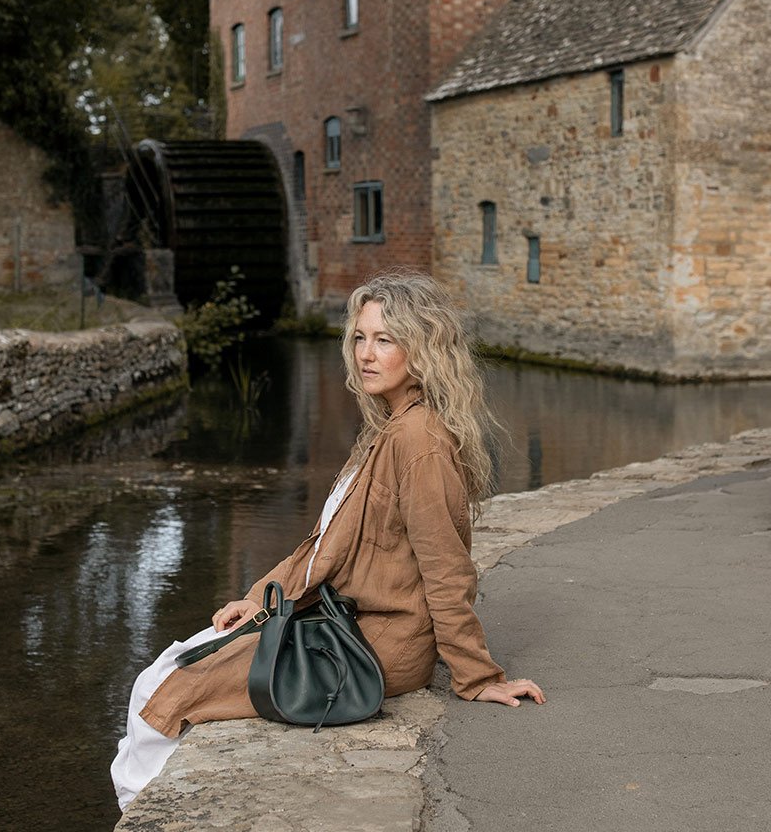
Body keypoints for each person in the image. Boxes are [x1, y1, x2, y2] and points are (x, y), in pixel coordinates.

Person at [111, 271, 545, 809]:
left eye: (385, 340)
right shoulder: (391, 426)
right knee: (160, 673)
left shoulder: (419, 441)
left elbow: (447, 568)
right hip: (339, 618)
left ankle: (138, 812)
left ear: (424, 348)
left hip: (371, 642)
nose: (366, 353)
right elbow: (321, 546)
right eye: (360, 337)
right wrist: (256, 599)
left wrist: (477, 677)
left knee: (164, 692)